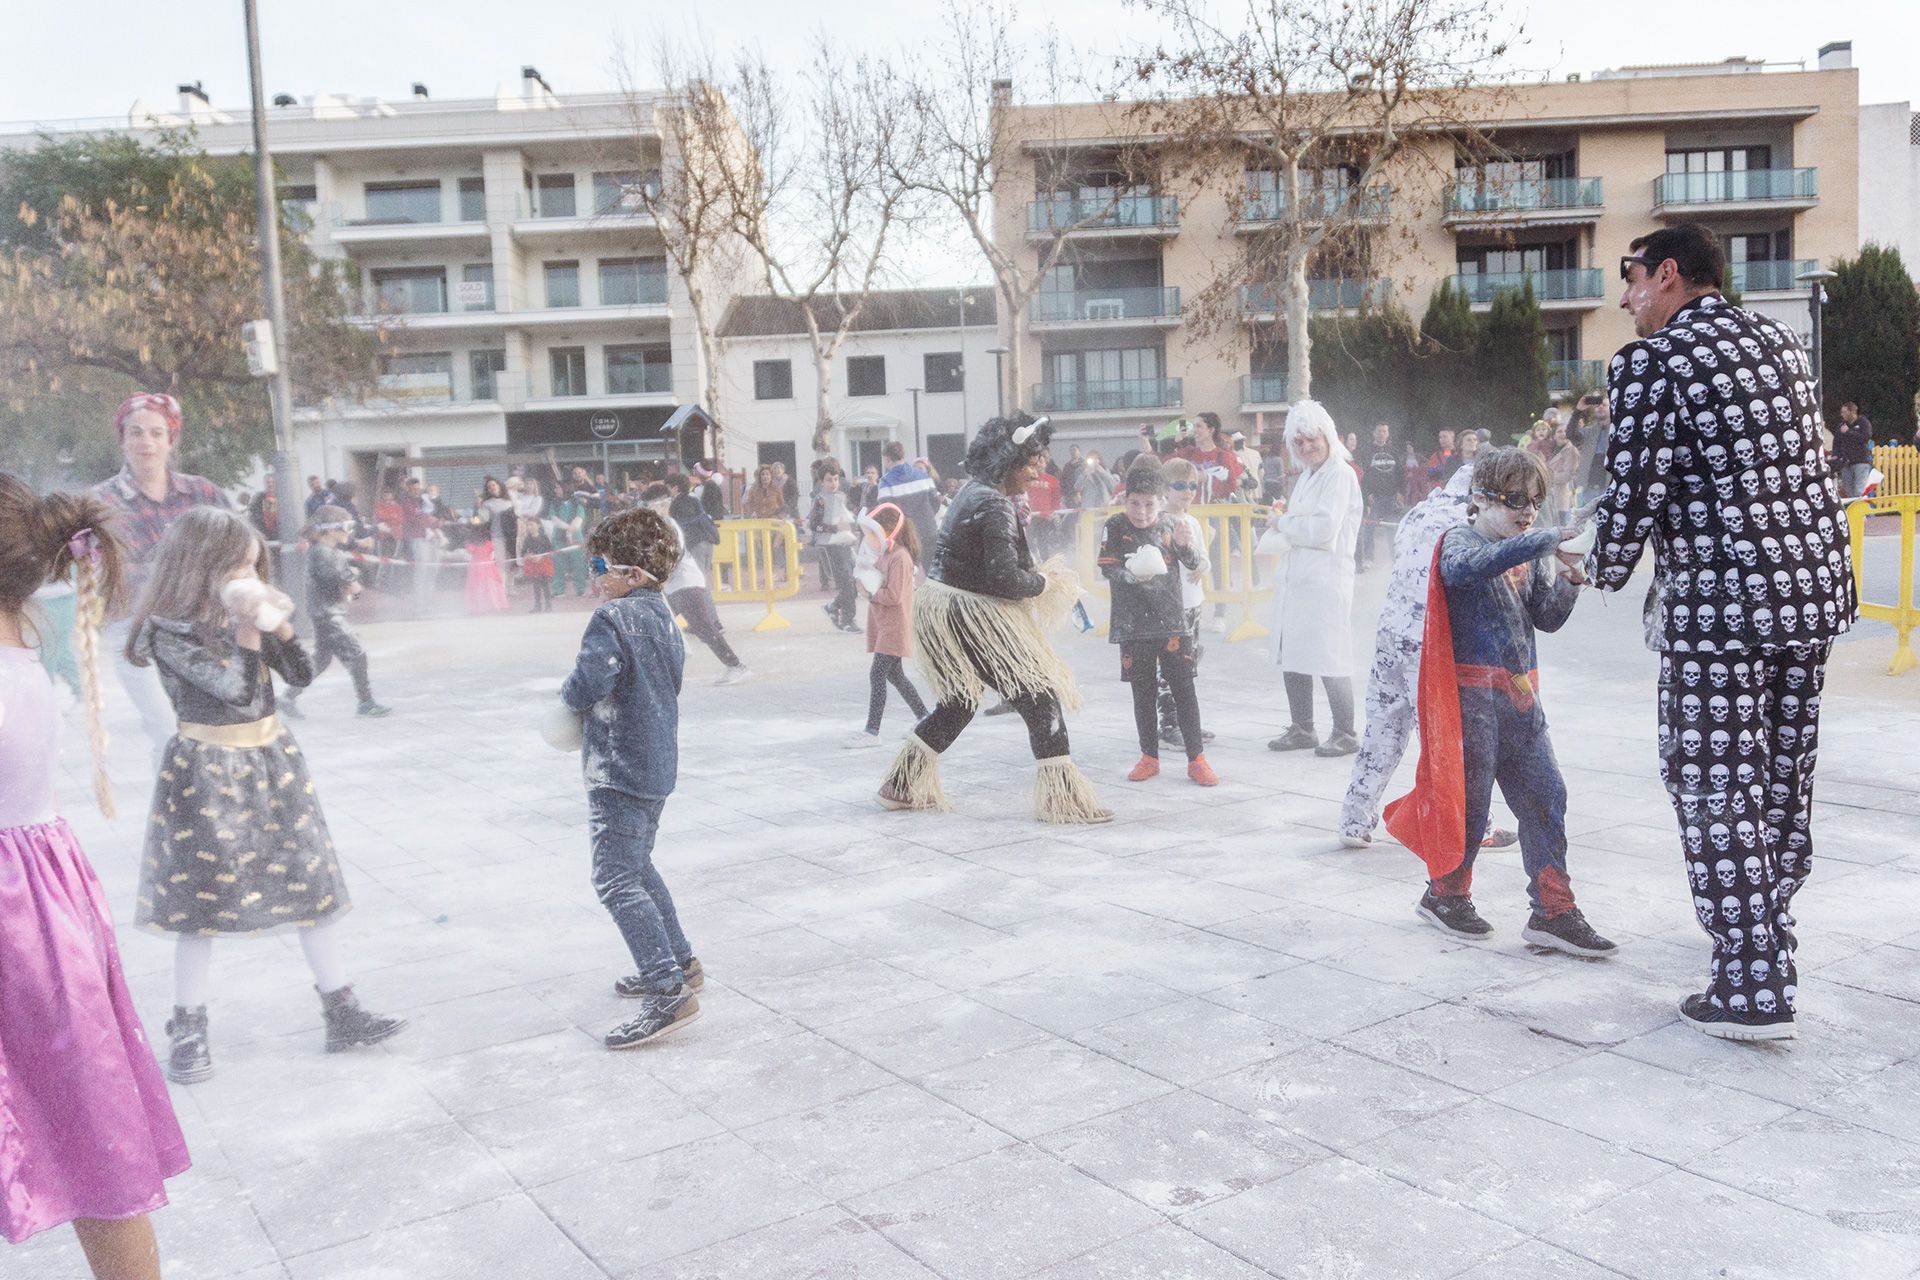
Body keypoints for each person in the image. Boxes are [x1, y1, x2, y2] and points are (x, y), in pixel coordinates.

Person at [1593, 222, 1854, 1041]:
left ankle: (1750, 986)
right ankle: (1769, 937)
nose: (1625, 297)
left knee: (1712, 783)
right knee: (1782, 778)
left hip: (1719, 611)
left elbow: (1633, 491)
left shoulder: (1651, 361)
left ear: (1669, 274)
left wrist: (1593, 564)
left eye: (1631, 277)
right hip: (1807, 599)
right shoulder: (1778, 344)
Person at [125, 508, 406, 1083]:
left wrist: (280, 625)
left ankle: (341, 1010)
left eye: (254, 563)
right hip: (206, 767)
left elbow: (300, 673)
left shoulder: (246, 611)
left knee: (310, 879)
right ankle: (188, 1024)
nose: (248, 573)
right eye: (238, 563)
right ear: (201, 565)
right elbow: (234, 690)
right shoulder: (167, 627)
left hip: (272, 759)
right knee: (201, 901)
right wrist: (248, 630)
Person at [0, 474, 190, 1278]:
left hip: (19, 917)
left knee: (81, 1130)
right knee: (89, 1128)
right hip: (41, 914)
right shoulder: (21, 657)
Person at [1383, 448, 1615, 958]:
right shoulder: (1459, 542)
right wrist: (1547, 539)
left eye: (1535, 501)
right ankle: (1445, 894)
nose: (1527, 510)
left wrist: (1572, 575)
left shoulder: (1522, 551)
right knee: (1470, 805)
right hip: (1469, 706)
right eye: (1515, 500)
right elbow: (1471, 568)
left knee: (1547, 796)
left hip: (1518, 700)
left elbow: (1546, 619)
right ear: (1480, 498)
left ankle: (1554, 909)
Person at [876, 414, 1109, 824]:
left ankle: (903, 783)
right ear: (1007, 460)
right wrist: (1043, 583)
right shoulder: (994, 504)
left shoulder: (974, 491)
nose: (1040, 472)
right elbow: (1003, 579)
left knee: (960, 702)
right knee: (1040, 697)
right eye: (1033, 462)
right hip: (969, 612)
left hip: (943, 607)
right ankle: (1062, 799)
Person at [560, 508, 705, 1049]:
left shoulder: (612, 619)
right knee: (638, 865)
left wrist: (564, 706)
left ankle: (668, 991)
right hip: (657, 761)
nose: (595, 578)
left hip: (618, 767)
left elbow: (590, 680)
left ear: (633, 575)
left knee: (615, 878)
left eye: (601, 566)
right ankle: (680, 962)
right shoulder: (665, 616)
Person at [91, 395, 233, 765]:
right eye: (135, 433)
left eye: (157, 433)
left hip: (199, 628)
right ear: (122, 439)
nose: (146, 442)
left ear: (172, 439)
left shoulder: (203, 493)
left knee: (210, 730)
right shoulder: (99, 503)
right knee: (169, 731)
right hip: (137, 633)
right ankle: (173, 818)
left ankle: (210, 810)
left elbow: (238, 550)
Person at [1099, 458, 1217, 786]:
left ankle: (1197, 759)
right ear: (1125, 500)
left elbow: (1194, 563)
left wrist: (1183, 544)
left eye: (1149, 504)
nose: (1141, 512)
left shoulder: (1170, 525)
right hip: (1133, 625)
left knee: (1184, 688)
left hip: (1170, 622)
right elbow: (1107, 567)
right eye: (1134, 504)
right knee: (1143, 690)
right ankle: (1149, 756)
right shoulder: (1115, 526)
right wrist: (1131, 575)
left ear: (1160, 501)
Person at [1263, 402, 1363, 757]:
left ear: (1327, 435)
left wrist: (1283, 523)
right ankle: (1303, 726)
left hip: (1325, 580)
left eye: (1312, 439)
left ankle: (1345, 731)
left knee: (1329, 652)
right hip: (1299, 578)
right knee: (1293, 649)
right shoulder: (1307, 476)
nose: (1307, 448)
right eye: (1299, 443)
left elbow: (1323, 530)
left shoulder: (1339, 473)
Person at [281, 507, 390, 718]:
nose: (348, 532)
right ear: (330, 530)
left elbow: (339, 577)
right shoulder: (321, 552)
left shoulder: (329, 551)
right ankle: (365, 702)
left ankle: (287, 697)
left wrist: (351, 580)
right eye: (345, 527)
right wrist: (352, 583)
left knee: (320, 661)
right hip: (328, 614)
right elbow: (332, 578)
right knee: (357, 655)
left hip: (326, 612)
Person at [641, 485, 751, 686]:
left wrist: (657, 575)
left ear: (666, 503)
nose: (654, 508)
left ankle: (735, 665)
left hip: (686, 582)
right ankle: (648, 672)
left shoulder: (668, 525)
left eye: (658, 504)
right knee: (652, 625)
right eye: (651, 505)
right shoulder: (653, 526)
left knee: (703, 627)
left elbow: (675, 555)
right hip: (672, 586)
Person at [848, 503, 930, 748]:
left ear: (890, 531)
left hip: (894, 625)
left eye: (875, 533)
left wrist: (871, 594)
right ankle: (924, 717)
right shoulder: (887, 555)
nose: (871, 539)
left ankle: (872, 731)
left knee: (878, 674)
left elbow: (893, 595)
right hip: (885, 623)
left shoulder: (901, 558)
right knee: (895, 675)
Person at [1156, 457, 1214, 752]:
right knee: (1169, 668)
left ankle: (1186, 719)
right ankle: (1168, 725)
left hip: (1193, 604)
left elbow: (1204, 556)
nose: (1187, 491)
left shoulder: (1192, 521)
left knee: (1190, 665)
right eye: (1180, 485)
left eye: (1192, 485)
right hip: (1170, 607)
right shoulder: (1159, 520)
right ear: (1165, 488)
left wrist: (1202, 566)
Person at [809, 465, 860, 632]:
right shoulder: (821, 500)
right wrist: (834, 528)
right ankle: (847, 620)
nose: (833, 483)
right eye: (829, 480)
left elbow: (846, 518)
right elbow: (814, 525)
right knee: (847, 582)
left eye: (836, 479)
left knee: (852, 584)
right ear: (822, 481)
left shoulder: (841, 497)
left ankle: (833, 606)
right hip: (832, 547)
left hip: (845, 545)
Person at [1356, 422, 1402, 570]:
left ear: (1388, 434)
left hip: (1391, 496)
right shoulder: (1366, 451)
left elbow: (1400, 473)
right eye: (1379, 431)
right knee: (1369, 527)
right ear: (1374, 433)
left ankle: (1394, 558)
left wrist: (1399, 492)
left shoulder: (1393, 451)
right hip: (1373, 496)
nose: (1381, 433)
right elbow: (1364, 475)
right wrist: (1367, 493)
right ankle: (1369, 557)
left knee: (1392, 528)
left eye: (1384, 431)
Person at [462, 517, 508, 614]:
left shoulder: (471, 544)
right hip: (487, 566)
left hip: (477, 567)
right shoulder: (487, 543)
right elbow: (492, 555)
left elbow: (468, 556)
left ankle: (480, 607)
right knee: (489, 586)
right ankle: (491, 605)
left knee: (480, 586)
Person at [1832, 402, 1874, 498]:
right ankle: (1853, 512)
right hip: (1846, 462)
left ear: (1852, 412)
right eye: (1842, 412)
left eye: (1845, 412)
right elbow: (1837, 442)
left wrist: (1849, 432)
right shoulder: (1841, 426)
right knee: (1849, 491)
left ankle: (1862, 512)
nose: (1842, 414)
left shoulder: (1863, 422)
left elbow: (1865, 437)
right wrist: (1836, 455)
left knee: (1860, 490)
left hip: (1860, 461)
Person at [521, 517, 556, 613]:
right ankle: (537, 606)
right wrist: (528, 555)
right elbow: (523, 551)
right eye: (528, 525)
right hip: (534, 566)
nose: (529, 527)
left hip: (543, 565)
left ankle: (548, 606)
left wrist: (541, 556)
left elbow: (549, 549)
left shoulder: (544, 537)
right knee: (536, 586)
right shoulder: (527, 539)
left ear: (538, 525)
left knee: (545, 586)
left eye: (531, 524)